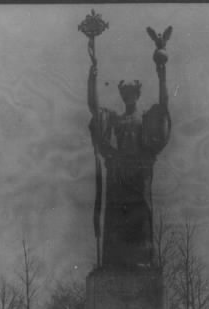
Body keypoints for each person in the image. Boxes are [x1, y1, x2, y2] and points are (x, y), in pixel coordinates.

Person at [87, 49, 171, 269]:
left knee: (141, 215)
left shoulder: (145, 119)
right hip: (118, 172)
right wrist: (92, 76)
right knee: (116, 217)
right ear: (123, 96)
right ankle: (115, 263)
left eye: (132, 93)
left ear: (137, 95)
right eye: (126, 94)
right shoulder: (115, 119)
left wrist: (162, 74)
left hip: (139, 172)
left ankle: (142, 261)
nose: (129, 97)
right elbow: (94, 109)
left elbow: (163, 106)